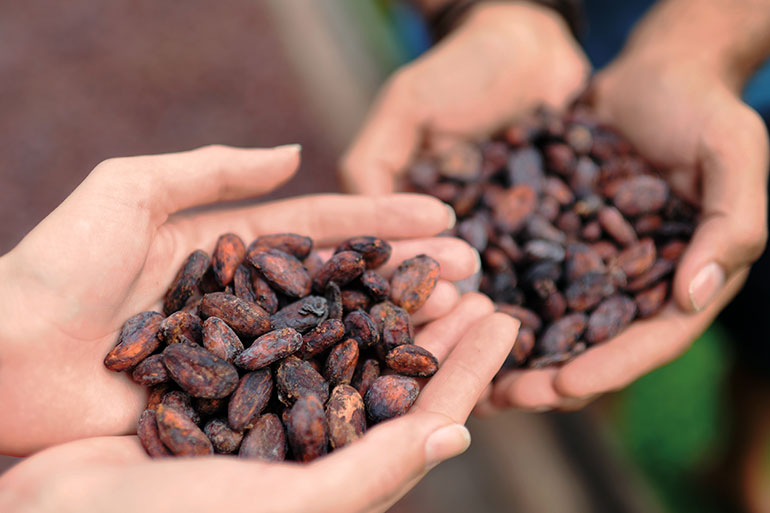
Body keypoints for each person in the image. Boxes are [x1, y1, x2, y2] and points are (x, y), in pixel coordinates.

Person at [343, 0, 770, 510]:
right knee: (570, 373)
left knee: (757, 320)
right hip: (489, 67)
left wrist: (701, 48)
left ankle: (739, 461)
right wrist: (494, 12)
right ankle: (593, 449)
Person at [0, 144, 519, 512]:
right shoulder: (219, 354)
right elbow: (253, 356)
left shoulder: (322, 339)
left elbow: (296, 352)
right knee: (242, 375)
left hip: (277, 358)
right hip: (247, 368)